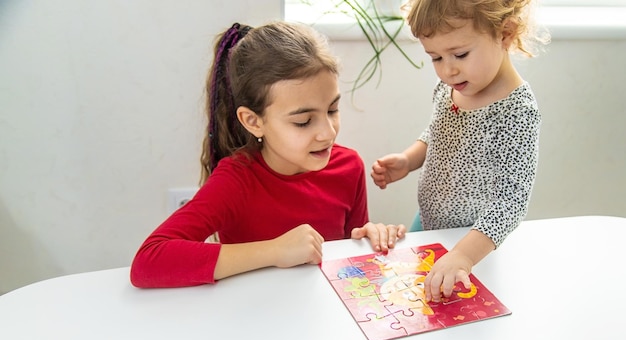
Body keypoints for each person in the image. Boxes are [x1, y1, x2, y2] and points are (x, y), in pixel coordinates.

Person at [131, 21, 406, 288]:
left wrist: (366, 237)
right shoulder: (236, 180)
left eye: (332, 110)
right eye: (303, 121)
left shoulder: (348, 166)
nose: (328, 132)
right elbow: (149, 261)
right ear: (253, 121)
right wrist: (274, 251)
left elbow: (348, 260)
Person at [371, 0, 549, 302]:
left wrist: (464, 256)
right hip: (427, 221)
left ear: (505, 33)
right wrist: (409, 159)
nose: (447, 69)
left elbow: (511, 201)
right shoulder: (454, 86)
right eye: (435, 57)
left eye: (460, 54)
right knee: (412, 302)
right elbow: (437, 132)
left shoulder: (517, 111)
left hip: (472, 243)